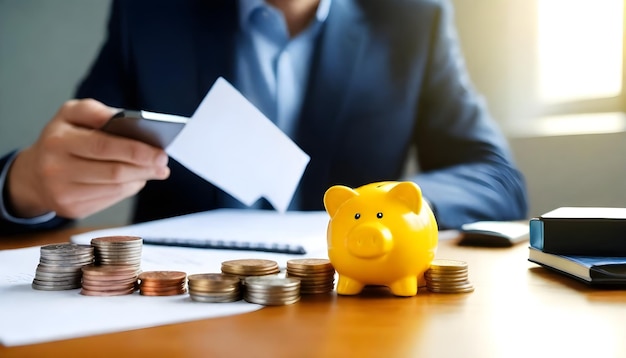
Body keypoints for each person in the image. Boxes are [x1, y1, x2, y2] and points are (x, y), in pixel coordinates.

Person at [0, 0, 528, 235]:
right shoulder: (151, 11)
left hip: (352, 297)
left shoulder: (413, 18)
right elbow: (78, 153)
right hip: (175, 305)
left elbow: (496, 181)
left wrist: (386, 211)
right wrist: (25, 187)